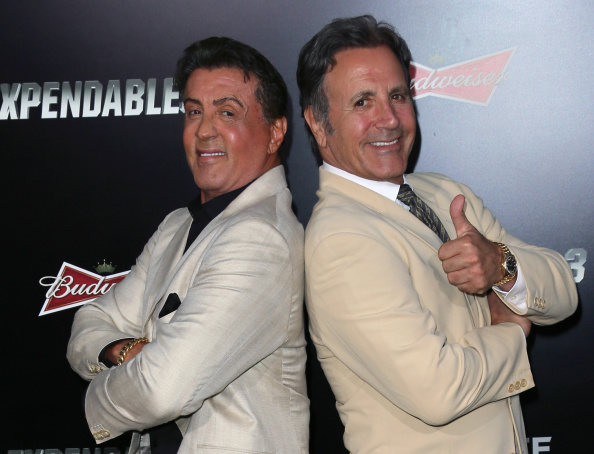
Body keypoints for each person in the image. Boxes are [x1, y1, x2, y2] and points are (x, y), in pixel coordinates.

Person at [297, 15, 577, 454]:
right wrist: (512, 332)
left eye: (397, 96)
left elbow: (562, 290)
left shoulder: (445, 192)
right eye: (362, 102)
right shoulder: (340, 239)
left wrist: (500, 266)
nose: (388, 119)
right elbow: (438, 390)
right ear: (317, 122)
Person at [67, 36, 309, 454]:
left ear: (275, 132)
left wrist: (96, 398)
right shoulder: (177, 225)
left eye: (227, 112)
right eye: (194, 111)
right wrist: (127, 350)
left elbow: (161, 390)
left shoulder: (262, 238)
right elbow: (90, 320)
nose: (204, 130)